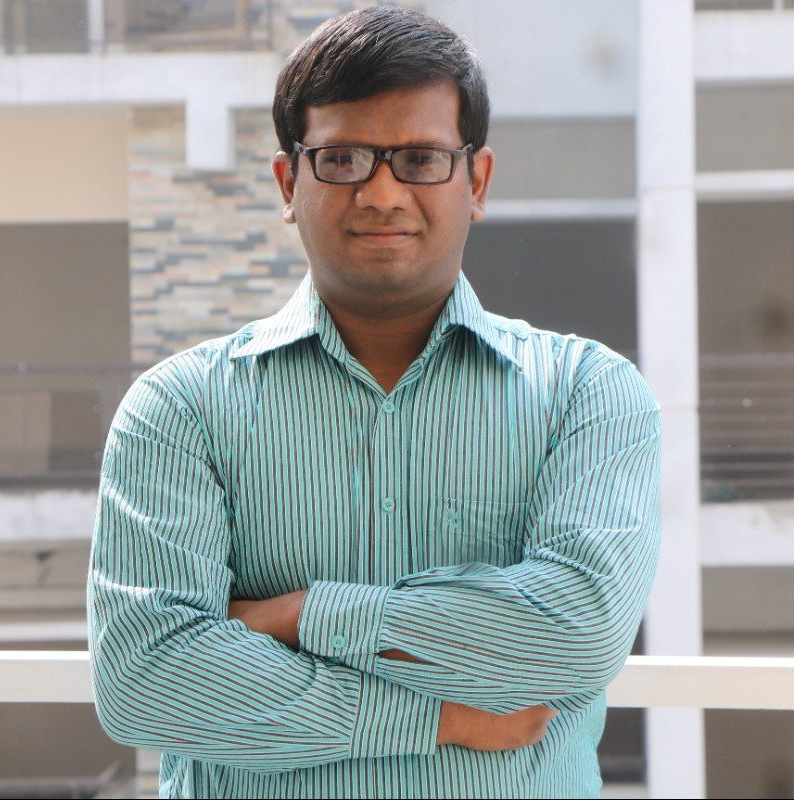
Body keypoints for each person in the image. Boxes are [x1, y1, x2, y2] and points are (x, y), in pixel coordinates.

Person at [87, 6, 660, 799]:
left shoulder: (587, 395)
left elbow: (577, 637)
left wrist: (299, 616)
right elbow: (145, 678)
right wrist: (441, 719)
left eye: (421, 159)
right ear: (288, 184)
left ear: (476, 182)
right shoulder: (180, 410)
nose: (382, 193)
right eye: (343, 159)